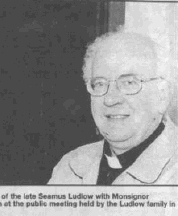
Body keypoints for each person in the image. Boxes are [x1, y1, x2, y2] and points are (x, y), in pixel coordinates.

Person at [48, 29, 178, 185]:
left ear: (162, 96)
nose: (110, 99)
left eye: (129, 83)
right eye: (100, 84)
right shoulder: (70, 165)